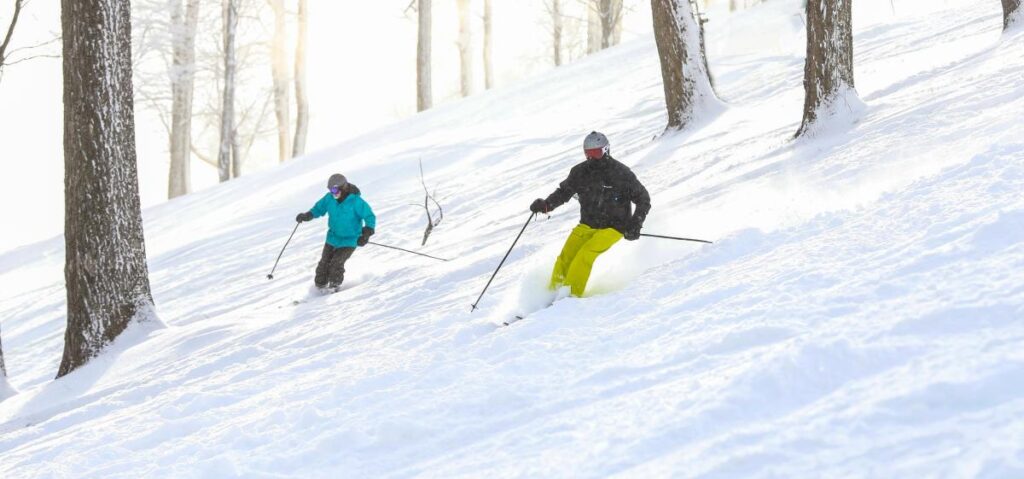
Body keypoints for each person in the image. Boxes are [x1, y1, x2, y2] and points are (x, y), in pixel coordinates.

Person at [529, 131, 651, 297]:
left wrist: (635, 224)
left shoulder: (621, 174)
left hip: (614, 227)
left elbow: (643, 199)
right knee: (565, 257)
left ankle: (569, 296)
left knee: (584, 256)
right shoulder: (580, 172)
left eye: (597, 153)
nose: (593, 158)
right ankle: (552, 294)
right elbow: (564, 192)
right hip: (588, 224)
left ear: (606, 150)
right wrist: (546, 205)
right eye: (589, 154)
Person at [296, 173, 376, 292]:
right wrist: (308, 215)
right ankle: (319, 288)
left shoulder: (356, 201)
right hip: (333, 237)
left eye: (334, 189)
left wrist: (366, 233)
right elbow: (319, 209)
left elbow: (369, 216)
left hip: (350, 240)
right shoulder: (329, 198)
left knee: (336, 264)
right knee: (324, 263)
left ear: (343, 187)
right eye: (330, 190)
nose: (332, 193)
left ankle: (334, 288)